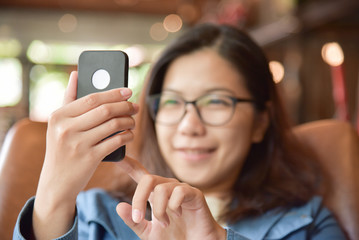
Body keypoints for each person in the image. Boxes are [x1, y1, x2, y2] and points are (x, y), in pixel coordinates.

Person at [13, 23, 346, 240]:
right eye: (172, 103)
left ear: (260, 122)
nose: (189, 125)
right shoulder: (93, 217)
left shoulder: (310, 223)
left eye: (216, 102)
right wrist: (54, 197)